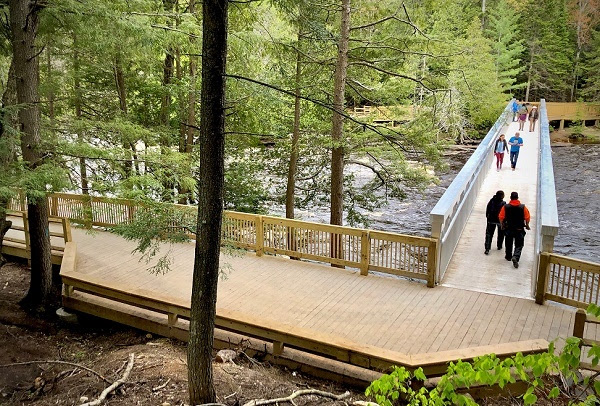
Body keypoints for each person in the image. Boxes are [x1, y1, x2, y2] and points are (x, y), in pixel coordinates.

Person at [498, 191, 531, 268]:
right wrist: (527, 225)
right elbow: (527, 217)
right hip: (519, 229)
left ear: (510, 198)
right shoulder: (523, 207)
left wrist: (502, 225)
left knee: (508, 243)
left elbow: (501, 217)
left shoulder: (505, 207)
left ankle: (508, 256)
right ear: (517, 198)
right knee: (519, 244)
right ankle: (515, 257)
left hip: (509, 228)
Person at [484, 190, 506, 255]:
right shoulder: (503, 203)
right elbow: (504, 212)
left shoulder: (492, 201)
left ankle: (487, 248)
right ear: (502, 196)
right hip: (500, 221)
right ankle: (499, 246)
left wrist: (487, 217)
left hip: (491, 220)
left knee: (489, 234)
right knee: (501, 234)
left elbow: (488, 208)